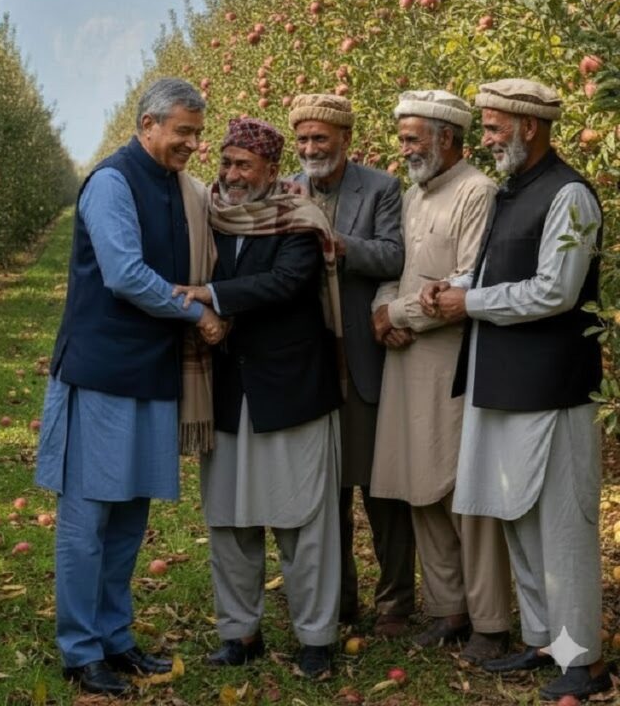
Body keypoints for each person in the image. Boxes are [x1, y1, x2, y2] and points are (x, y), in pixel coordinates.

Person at [35, 77, 227, 697]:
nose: (192, 144)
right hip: (100, 373)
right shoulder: (112, 182)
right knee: (88, 516)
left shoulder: (178, 188)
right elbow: (123, 274)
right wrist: (199, 313)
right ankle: (80, 650)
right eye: (182, 131)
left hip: (151, 372)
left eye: (198, 133)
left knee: (128, 518)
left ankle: (115, 638)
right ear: (148, 125)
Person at [420, 78, 607, 702]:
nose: (489, 135)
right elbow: (492, 270)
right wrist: (448, 285)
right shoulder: (511, 192)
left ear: (530, 126)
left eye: (496, 124)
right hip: (500, 381)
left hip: (554, 387)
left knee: (563, 524)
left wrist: (467, 301)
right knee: (518, 518)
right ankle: (542, 640)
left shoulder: (571, 196)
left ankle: (582, 658)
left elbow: (556, 289)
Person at [175, 117, 343, 679]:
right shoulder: (210, 217)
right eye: (225, 162)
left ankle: (316, 639)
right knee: (228, 521)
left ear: (273, 171)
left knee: (302, 523)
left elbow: (287, 283)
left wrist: (212, 296)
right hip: (226, 390)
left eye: (243, 164)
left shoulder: (299, 218)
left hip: (290, 389)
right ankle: (239, 632)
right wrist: (202, 306)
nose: (231, 174)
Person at [369, 90, 511, 663]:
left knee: (461, 494)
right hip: (405, 362)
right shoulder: (412, 194)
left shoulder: (478, 192)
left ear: (445, 139)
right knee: (418, 488)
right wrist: (382, 309)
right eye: (402, 138)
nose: (404, 150)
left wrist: (396, 314)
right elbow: (395, 268)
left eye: (411, 140)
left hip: (450, 362)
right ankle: (448, 609)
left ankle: (491, 622)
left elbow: (467, 281)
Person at [288, 93, 415, 636]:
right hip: (309, 358)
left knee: (379, 488)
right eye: (303, 140)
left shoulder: (381, 189)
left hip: (362, 356)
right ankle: (338, 600)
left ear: (345, 140)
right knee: (324, 491)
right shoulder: (287, 190)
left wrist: (338, 245)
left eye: (321, 139)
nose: (311, 149)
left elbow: (394, 254)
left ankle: (396, 602)